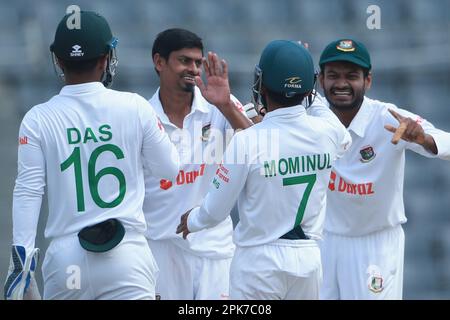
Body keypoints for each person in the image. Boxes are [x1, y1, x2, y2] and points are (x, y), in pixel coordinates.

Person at [3, 11, 180, 300]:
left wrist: (22, 261)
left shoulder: (38, 118)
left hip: (67, 260)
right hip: (126, 256)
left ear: (59, 60)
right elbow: (170, 170)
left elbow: (28, 190)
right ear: (105, 59)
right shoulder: (135, 107)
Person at [177, 40, 351, 299]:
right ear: (309, 88)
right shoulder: (330, 132)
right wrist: (299, 68)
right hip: (308, 259)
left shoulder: (247, 140)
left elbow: (215, 210)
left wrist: (192, 220)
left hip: (258, 263)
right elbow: (327, 119)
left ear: (262, 84)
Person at [318, 38, 450, 299]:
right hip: (325, 240)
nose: (342, 84)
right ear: (320, 79)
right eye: (333, 75)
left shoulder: (388, 117)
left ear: (368, 81)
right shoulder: (312, 115)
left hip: (375, 245)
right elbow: (262, 117)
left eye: (352, 76)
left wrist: (423, 138)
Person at [143, 28, 252, 300]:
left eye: (198, 62)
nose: (192, 69)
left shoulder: (218, 105)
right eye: (184, 61)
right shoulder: (142, 116)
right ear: (159, 62)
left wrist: (226, 105)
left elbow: (259, 146)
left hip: (214, 248)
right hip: (160, 248)